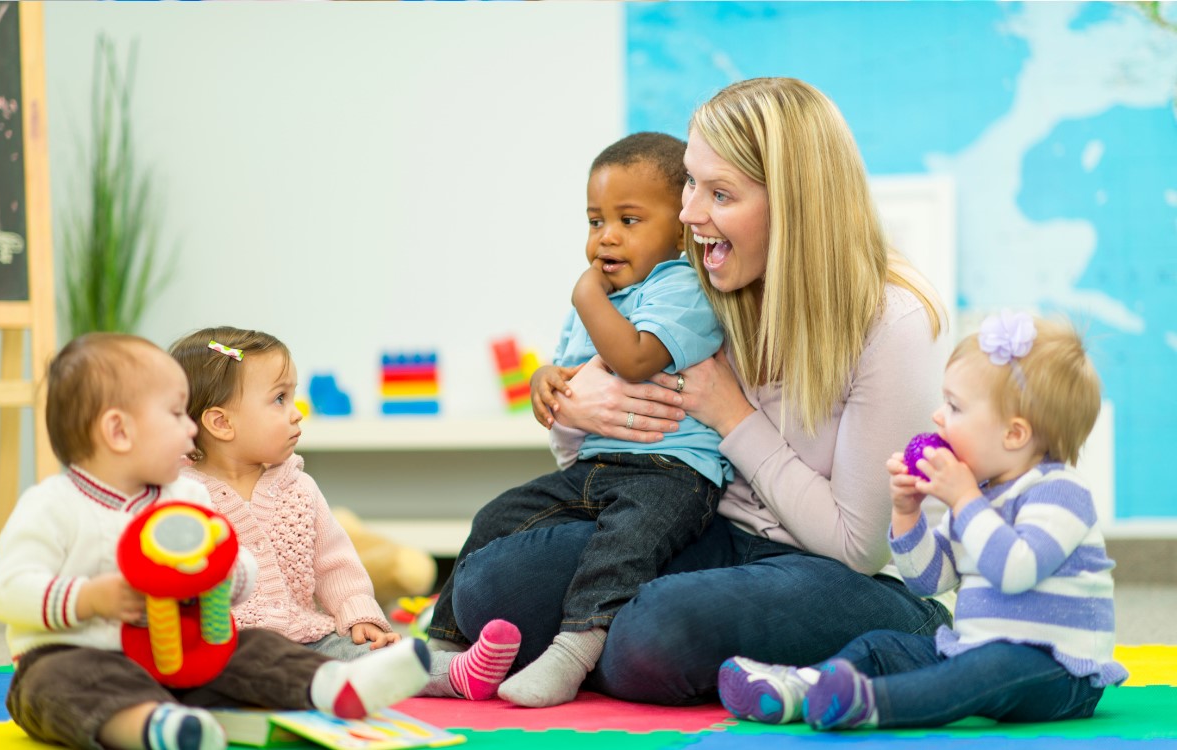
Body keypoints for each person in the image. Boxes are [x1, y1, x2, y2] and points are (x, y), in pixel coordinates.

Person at [443, 77, 955, 706]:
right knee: (490, 590)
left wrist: (733, 415)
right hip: (702, 532)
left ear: (795, 204)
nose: (687, 213)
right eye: (690, 182)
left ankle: (916, 630)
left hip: (822, 567)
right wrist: (574, 407)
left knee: (652, 634)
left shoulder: (891, 324)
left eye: (719, 193)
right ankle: (643, 658)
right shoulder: (702, 288)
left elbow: (855, 544)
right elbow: (603, 470)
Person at [0, 333, 430, 750]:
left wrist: (225, 576)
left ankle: (330, 685)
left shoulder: (185, 496)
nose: (190, 429)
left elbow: (233, 564)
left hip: (179, 657)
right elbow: (8, 591)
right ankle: (150, 726)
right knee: (54, 684)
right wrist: (87, 599)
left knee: (251, 645)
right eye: (176, 415)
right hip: (82, 654)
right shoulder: (52, 505)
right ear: (119, 432)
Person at [427, 132, 731, 708]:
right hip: (593, 465)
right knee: (499, 514)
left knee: (622, 545)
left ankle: (573, 651)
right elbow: (572, 377)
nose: (607, 236)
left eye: (630, 219)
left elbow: (636, 358)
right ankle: (445, 649)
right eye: (596, 221)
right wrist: (548, 380)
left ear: (682, 225)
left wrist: (585, 294)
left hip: (670, 472)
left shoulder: (685, 287)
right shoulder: (602, 293)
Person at [718, 311, 1127, 730]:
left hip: (1058, 670)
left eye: (955, 406)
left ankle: (869, 704)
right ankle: (803, 689)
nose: (937, 416)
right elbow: (929, 581)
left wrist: (964, 499)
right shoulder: (979, 495)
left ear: (1014, 434)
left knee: (989, 666)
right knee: (882, 647)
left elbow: (1014, 570)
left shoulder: (1059, 493)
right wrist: (907, 513)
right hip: (974, 651)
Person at [170, 327, 519, 700]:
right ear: (221, 423)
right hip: (227, 647)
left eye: (293, 396)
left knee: (371, 654)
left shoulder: (298, 488)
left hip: (307, 638)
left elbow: (335, 564)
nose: (297, 413)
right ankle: (327, 690)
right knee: (231, 671)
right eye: (279, 399)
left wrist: (359, 614)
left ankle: (453, 672)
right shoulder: (179, 497)